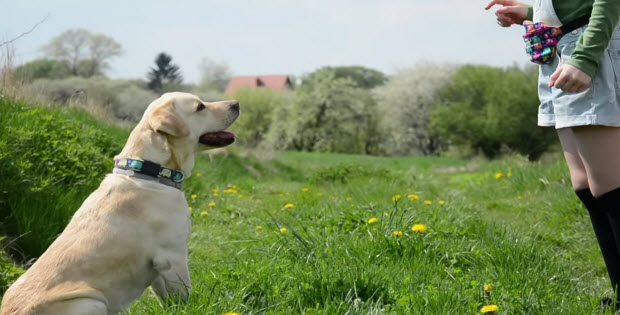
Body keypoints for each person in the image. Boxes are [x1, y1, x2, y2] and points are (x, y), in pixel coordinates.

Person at [485, 0, 620, 307]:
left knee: (611, 190)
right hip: (561, 49)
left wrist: (585, 58)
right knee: (587, 187)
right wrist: (531, 14)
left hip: (589, 46)